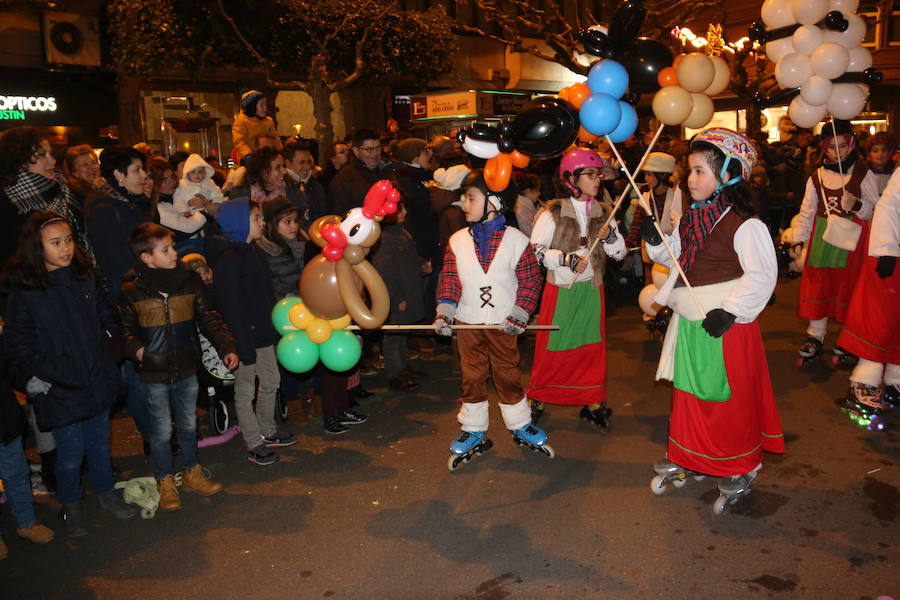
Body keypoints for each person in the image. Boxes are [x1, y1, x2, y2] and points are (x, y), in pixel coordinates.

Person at [641, 128, 784, 509]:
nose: (691, 179)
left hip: (725, 325)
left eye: (701, 171)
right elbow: (674, 258)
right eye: (690, 171)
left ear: (729, 173)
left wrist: (731, 311)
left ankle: (738, 463)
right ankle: (692, 453)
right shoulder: (691, 217)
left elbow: (763, 275)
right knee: (689, 395)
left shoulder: (746, 222)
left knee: (726, 400)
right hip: (691, 321)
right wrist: (655, 239)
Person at [4, 212, 137, 537]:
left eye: (68, 240)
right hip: (59, 388)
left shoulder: (83, 278)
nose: (65, 248)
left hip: (96, 377)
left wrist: (110, 350)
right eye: (55, 242)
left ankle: (106, 496)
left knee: (100, 445)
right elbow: (18, 344)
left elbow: (108, 317)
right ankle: (72, 506)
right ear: (37, 246)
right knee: (70, 454)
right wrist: (44, 376)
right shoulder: (25, 292)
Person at [118, 223, 238, 510]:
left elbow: (208, 316)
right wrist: (136, 349)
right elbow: (123, 329)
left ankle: (192, 470)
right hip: (153, 372)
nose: (174, 253)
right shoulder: (132, 291)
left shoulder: (189, 280)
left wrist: (226, 345)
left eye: (172, 247)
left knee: (187, 424)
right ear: (147, 257)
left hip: (186, 366)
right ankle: (164, 479)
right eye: (166, 249)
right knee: (160, 430)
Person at [433, 170, 549, 466]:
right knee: (471, 376)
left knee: (507, 374)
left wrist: (521, 312)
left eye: (471, 198)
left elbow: (531, 281)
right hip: (469, 322)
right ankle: (473, 429)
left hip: (502, 323)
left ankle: (520, 423)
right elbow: (450, 280)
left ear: (494, 203)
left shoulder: (517, 241)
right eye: (464, 197)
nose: (464, 203)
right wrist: (445, 312)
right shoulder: (457, 241)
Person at [527, 148, 626, 430]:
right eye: (591, 174)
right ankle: (538, 397)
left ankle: (592, 398)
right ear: (571, 178)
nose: (598, 180)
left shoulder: (604, 211)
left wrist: (611, 237)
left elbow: (619, 254)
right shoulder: (552, 212)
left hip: (591, 291)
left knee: (590, 347)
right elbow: (535, 252)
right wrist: (566, 259)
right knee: (553, 347)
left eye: (599, 175)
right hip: (561, 291)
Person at [207, 198, 295, 464]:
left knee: (271, 382)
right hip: (243, 337)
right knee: (245, 391)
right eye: (256, 218)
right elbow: (232, 307)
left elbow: (263, 295)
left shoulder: (253, 252)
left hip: (262, 333)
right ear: (238, 223)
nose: (262, 222)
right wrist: (241, 344)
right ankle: (253, 442)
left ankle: (267, 430)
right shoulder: (228, 261)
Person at [789, 120, 880, 367]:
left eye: (843, 145)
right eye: (831, 146)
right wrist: (799, 238)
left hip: (853, 241)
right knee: (820, 286)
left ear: (851, 145)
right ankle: (815, 337)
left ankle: (848, 339)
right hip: (823, 237)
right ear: (824, 147)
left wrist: (859, 206)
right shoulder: (816, 176)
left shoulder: (864, 173)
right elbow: (807, 211)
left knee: (848, 288)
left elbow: (875, 210)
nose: (837, 151)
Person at [84, 146, 154, 446]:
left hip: (146, 296)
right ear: (118, 175)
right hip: (126, 304)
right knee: (139, 369)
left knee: (153, 368)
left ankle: (159, 428)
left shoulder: (131, 203)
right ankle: (152, 434)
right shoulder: (104, 209)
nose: (145, 175)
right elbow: (117, 263)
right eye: (138, 169)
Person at [834, 168, 900, 427]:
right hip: (891, 258)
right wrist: (886, 249)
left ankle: (895, 380)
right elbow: (889, 205)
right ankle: (864, 383)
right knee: (879, 320)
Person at [0, 305, 55, 559]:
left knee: (17, 473)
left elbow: (10, 367)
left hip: (4, 421)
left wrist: (27, 381)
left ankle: (27, 523)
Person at [0, 127, 89, 264]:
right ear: (20, 160)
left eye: (50, 154)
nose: (52, 161)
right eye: (42, 155)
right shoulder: (9, 202)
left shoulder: (64, 189)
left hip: (74, 277)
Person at [372, 201, 429, 390]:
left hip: (408, 291)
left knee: (402, 331)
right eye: (400, 209)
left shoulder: (402, 233)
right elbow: (385, 272)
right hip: (397, 296)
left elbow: (409, 260)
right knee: (393, 334)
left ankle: (404, 367)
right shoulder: (385, 239)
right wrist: (397, 297)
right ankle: (394, 375)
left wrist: (421, 266)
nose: (405, 212)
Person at [328, 129, 384, 216]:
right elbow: (338, 214)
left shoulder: (384, 172)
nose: (375, 153)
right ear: (356, 151)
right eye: (368, 149)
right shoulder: (345, 179)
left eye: (378, 148)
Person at [232, 90, 282, 161]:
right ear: (251, 106)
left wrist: (280, 150)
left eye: (265, 105)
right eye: (262, 105)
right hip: (248, 159)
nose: (265, 108)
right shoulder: (241, 121)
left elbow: (275, 138)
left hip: (268, 157)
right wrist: (248, 155)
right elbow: (239, 142)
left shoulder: (268, 121)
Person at [512, 172, 542, 238]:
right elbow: (532, 233)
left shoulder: (525, 206)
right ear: (528, 191)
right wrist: (541, 214)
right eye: (537, 190)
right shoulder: (521, 209)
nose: (539, 193)